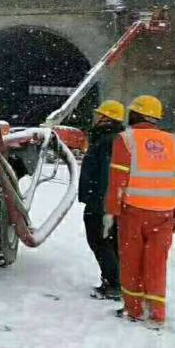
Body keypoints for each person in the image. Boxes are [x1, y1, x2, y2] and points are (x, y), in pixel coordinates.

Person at [105, 95, 175, 329]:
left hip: (134, 213)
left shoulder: (126, 139)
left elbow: (118, 180)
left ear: (137, 114)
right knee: (156, 265)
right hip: (164, 214)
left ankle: (135, 310)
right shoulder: (174, 142)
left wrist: (111, 211)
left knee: (131, 262)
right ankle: (157, 314)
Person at [77, 99, 124, 300]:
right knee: (111, 242)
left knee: (100, 241)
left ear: (107, 118)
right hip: (108, 201)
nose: (96, 118)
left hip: (100, 202)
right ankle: (116, 281)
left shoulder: (106, 141)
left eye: (100, 115)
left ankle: (114, 283)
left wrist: (102, 202)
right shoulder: (114, 139)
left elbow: (107, 175)